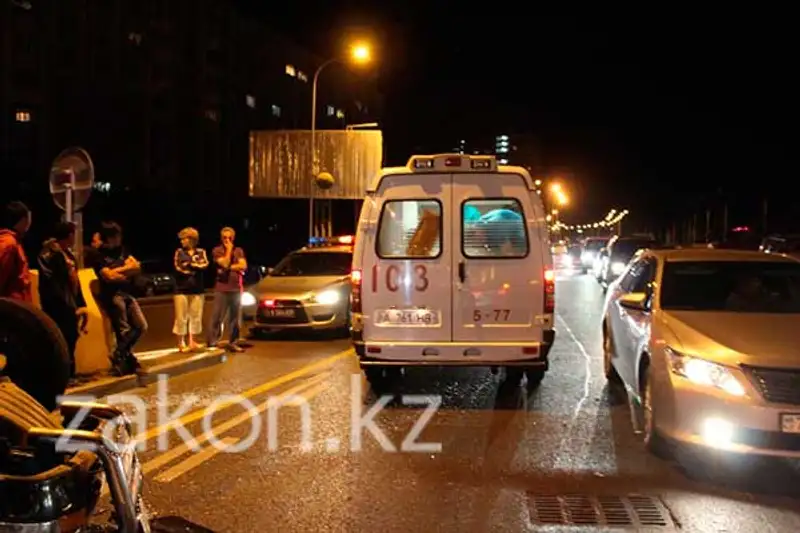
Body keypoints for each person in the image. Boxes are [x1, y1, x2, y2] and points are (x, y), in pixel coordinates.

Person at [88, 221, 146, 375]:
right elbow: (109, 277)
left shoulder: (123, 250)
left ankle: (119, 354)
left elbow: (137, 267)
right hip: (113, 295)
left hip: (128, 293)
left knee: (141, 326)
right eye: (116, 236)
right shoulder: (98, 255)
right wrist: (126, 270)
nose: (119, 239)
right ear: (109, 238)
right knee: (123, 330)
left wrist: (120, 270)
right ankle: (125, 362)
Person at [37, 222, 89, 378]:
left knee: (71, 337)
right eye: (74, 234)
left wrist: (80, 304)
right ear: (69, 235)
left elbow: (75, 282)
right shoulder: (49, 254)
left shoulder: (68, 254)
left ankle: (69, 373)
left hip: (69, 304)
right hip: (58, 306)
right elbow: (51, 284)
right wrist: (65, 304)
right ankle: (62, 374)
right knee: (62, 340)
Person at [207, 227, 247, 352]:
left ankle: (233, 342)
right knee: (217, 317)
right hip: (222, 288)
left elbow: (243, 265)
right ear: (221, 238)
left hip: (236, 288)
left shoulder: (239, 250)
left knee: (235, 318)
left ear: (233, 238)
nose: (227, 240)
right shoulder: (217, 250)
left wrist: (228, 267)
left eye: (229, 238)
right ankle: (212, 342)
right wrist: (229, 251)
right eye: (224, 238)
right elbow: (223, 263)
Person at [173, 227, 209, 352]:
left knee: (196, 315)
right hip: (181, 290)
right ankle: (181, 342)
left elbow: (204, 265)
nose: (182, 241)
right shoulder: (179, 252)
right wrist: (193, 268)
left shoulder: (201, 251)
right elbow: (178, 267)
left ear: (192, 239)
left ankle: (192, 341)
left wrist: (190, 265)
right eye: (181, 239)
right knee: (181, 316)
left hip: (197, 289)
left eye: (184, 239)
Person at [0, 201, 33, 302]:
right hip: (13, 310)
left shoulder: (14, 241)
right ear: (23, 220)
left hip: (18, 308)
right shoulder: (9, 243)